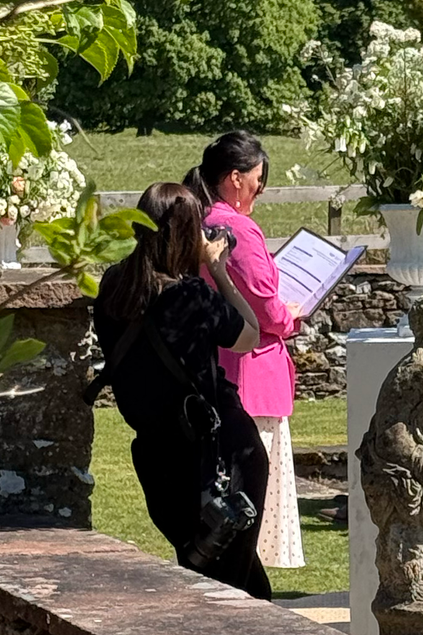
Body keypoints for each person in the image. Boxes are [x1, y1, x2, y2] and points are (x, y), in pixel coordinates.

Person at [93, 182, 271, 599]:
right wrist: (219, 270)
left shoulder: (114, 287)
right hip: (219, 458)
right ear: (189, 234)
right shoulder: (190, 296)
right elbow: (249, 334)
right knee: (230, 589)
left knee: (220, 577)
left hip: (158, 464)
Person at [186, 131, 305, 573]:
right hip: (250, 373)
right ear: (235, 179)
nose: (260, 190)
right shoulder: (236, 227)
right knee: (251, 490)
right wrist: (291, 315)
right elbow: (264, 304)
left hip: (216, 369)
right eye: (257, 181)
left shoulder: (200, 218)